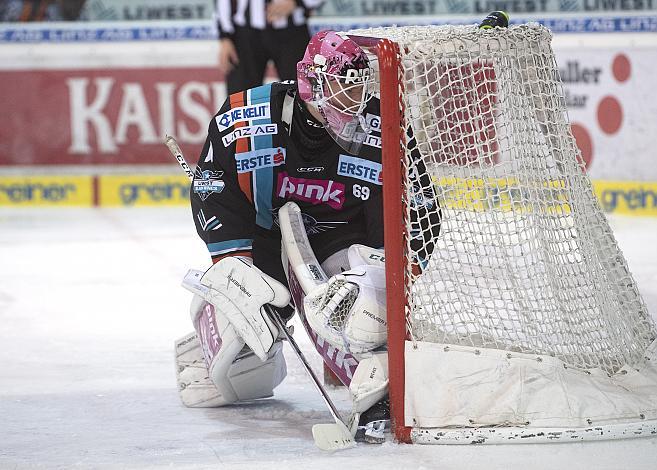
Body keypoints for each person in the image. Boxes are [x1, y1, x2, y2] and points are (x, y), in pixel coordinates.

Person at [178, 29, 440, 443]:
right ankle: (206, 334)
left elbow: (422, 207)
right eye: (341, 89)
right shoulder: (245, 115)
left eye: (357, 89)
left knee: (358, 313)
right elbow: (211, 185)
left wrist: (390, 276)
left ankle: (361, 371)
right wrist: (234, 266)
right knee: (242, 345)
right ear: (310, 83)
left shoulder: (383, 123)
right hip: (263, 237)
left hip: (341, 239)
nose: (352, 102)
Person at [216, 0, 326, 95]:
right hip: (245, 34)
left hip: (292, 32)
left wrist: (297, 2)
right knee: (240, 96)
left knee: (303, 92)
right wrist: (225, 35)